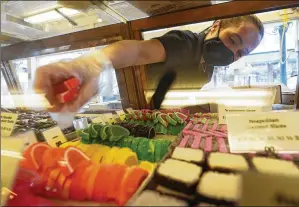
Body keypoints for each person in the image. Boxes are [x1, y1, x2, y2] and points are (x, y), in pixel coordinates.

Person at [34, 15, 264, 112]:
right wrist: (91, 64)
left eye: (239, 53)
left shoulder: (210, 65)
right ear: (217, 26)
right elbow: (137, 51)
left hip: (164, 118)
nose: (231, 52)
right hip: (139, 116)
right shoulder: (185, 43)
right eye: (233, 40)